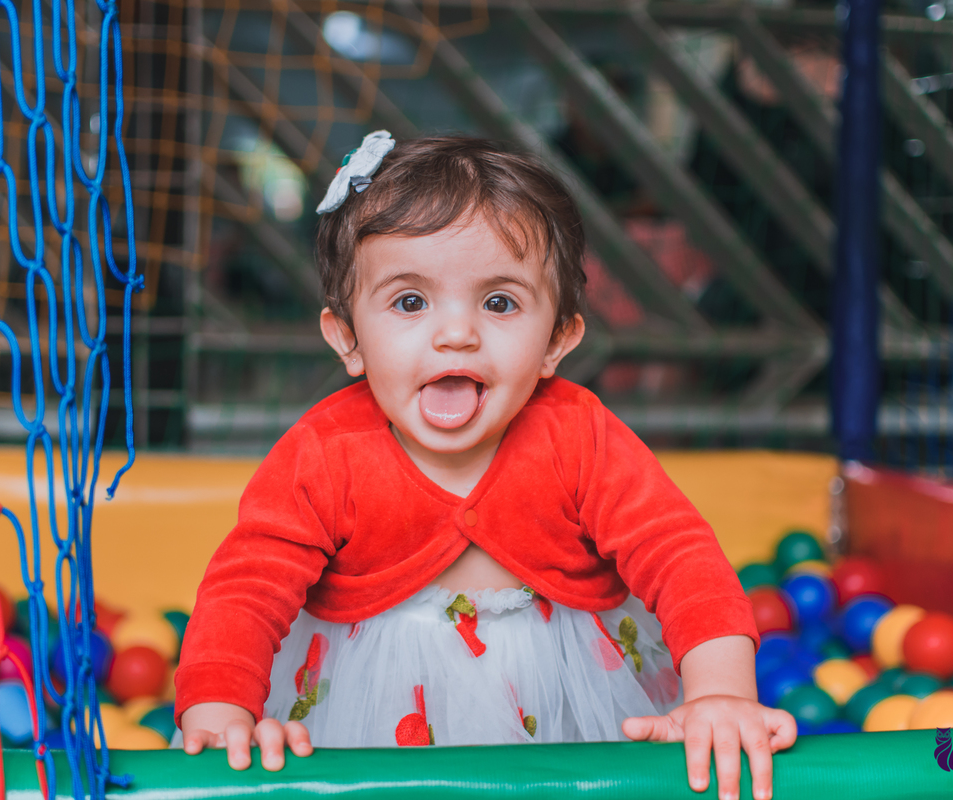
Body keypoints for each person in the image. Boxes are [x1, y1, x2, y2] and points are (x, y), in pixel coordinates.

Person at [174, 132, 797, 800]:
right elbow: (247, 588)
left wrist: (722, 694)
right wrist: (219, 714)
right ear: (347, 338)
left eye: (499, 303)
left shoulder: (578, 434)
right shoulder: (325, 453)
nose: (456, 334)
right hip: (373, 704)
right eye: (410, 302)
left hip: (561, 694)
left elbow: (679, 556)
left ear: (558, 339)